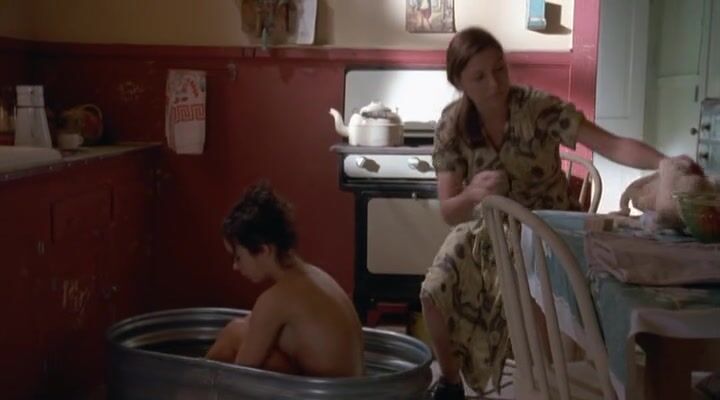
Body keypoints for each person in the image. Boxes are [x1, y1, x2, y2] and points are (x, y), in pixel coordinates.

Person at [421, 27, 676, 400]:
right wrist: (473, 192)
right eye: (479, 76)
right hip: (489, 231)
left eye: (500, 69)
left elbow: (612, 144)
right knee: (432, 292)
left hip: (548, 231)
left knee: (538, 309)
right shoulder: (452, 125)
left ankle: (551, 384)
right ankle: (449, 381)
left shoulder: (537, 108)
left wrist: (666, 163)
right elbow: (448, 210)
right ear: (459, 83)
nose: (495, 83)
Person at [205, 182, 365, 378]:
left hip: (326, 391)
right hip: (356, 388)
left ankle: (194, 383)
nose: (235, 267)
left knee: (234, 334)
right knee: (245, 328)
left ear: (263, 250)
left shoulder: (274, 300)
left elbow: (242, 376)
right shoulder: (316, 276)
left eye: (238, 257)